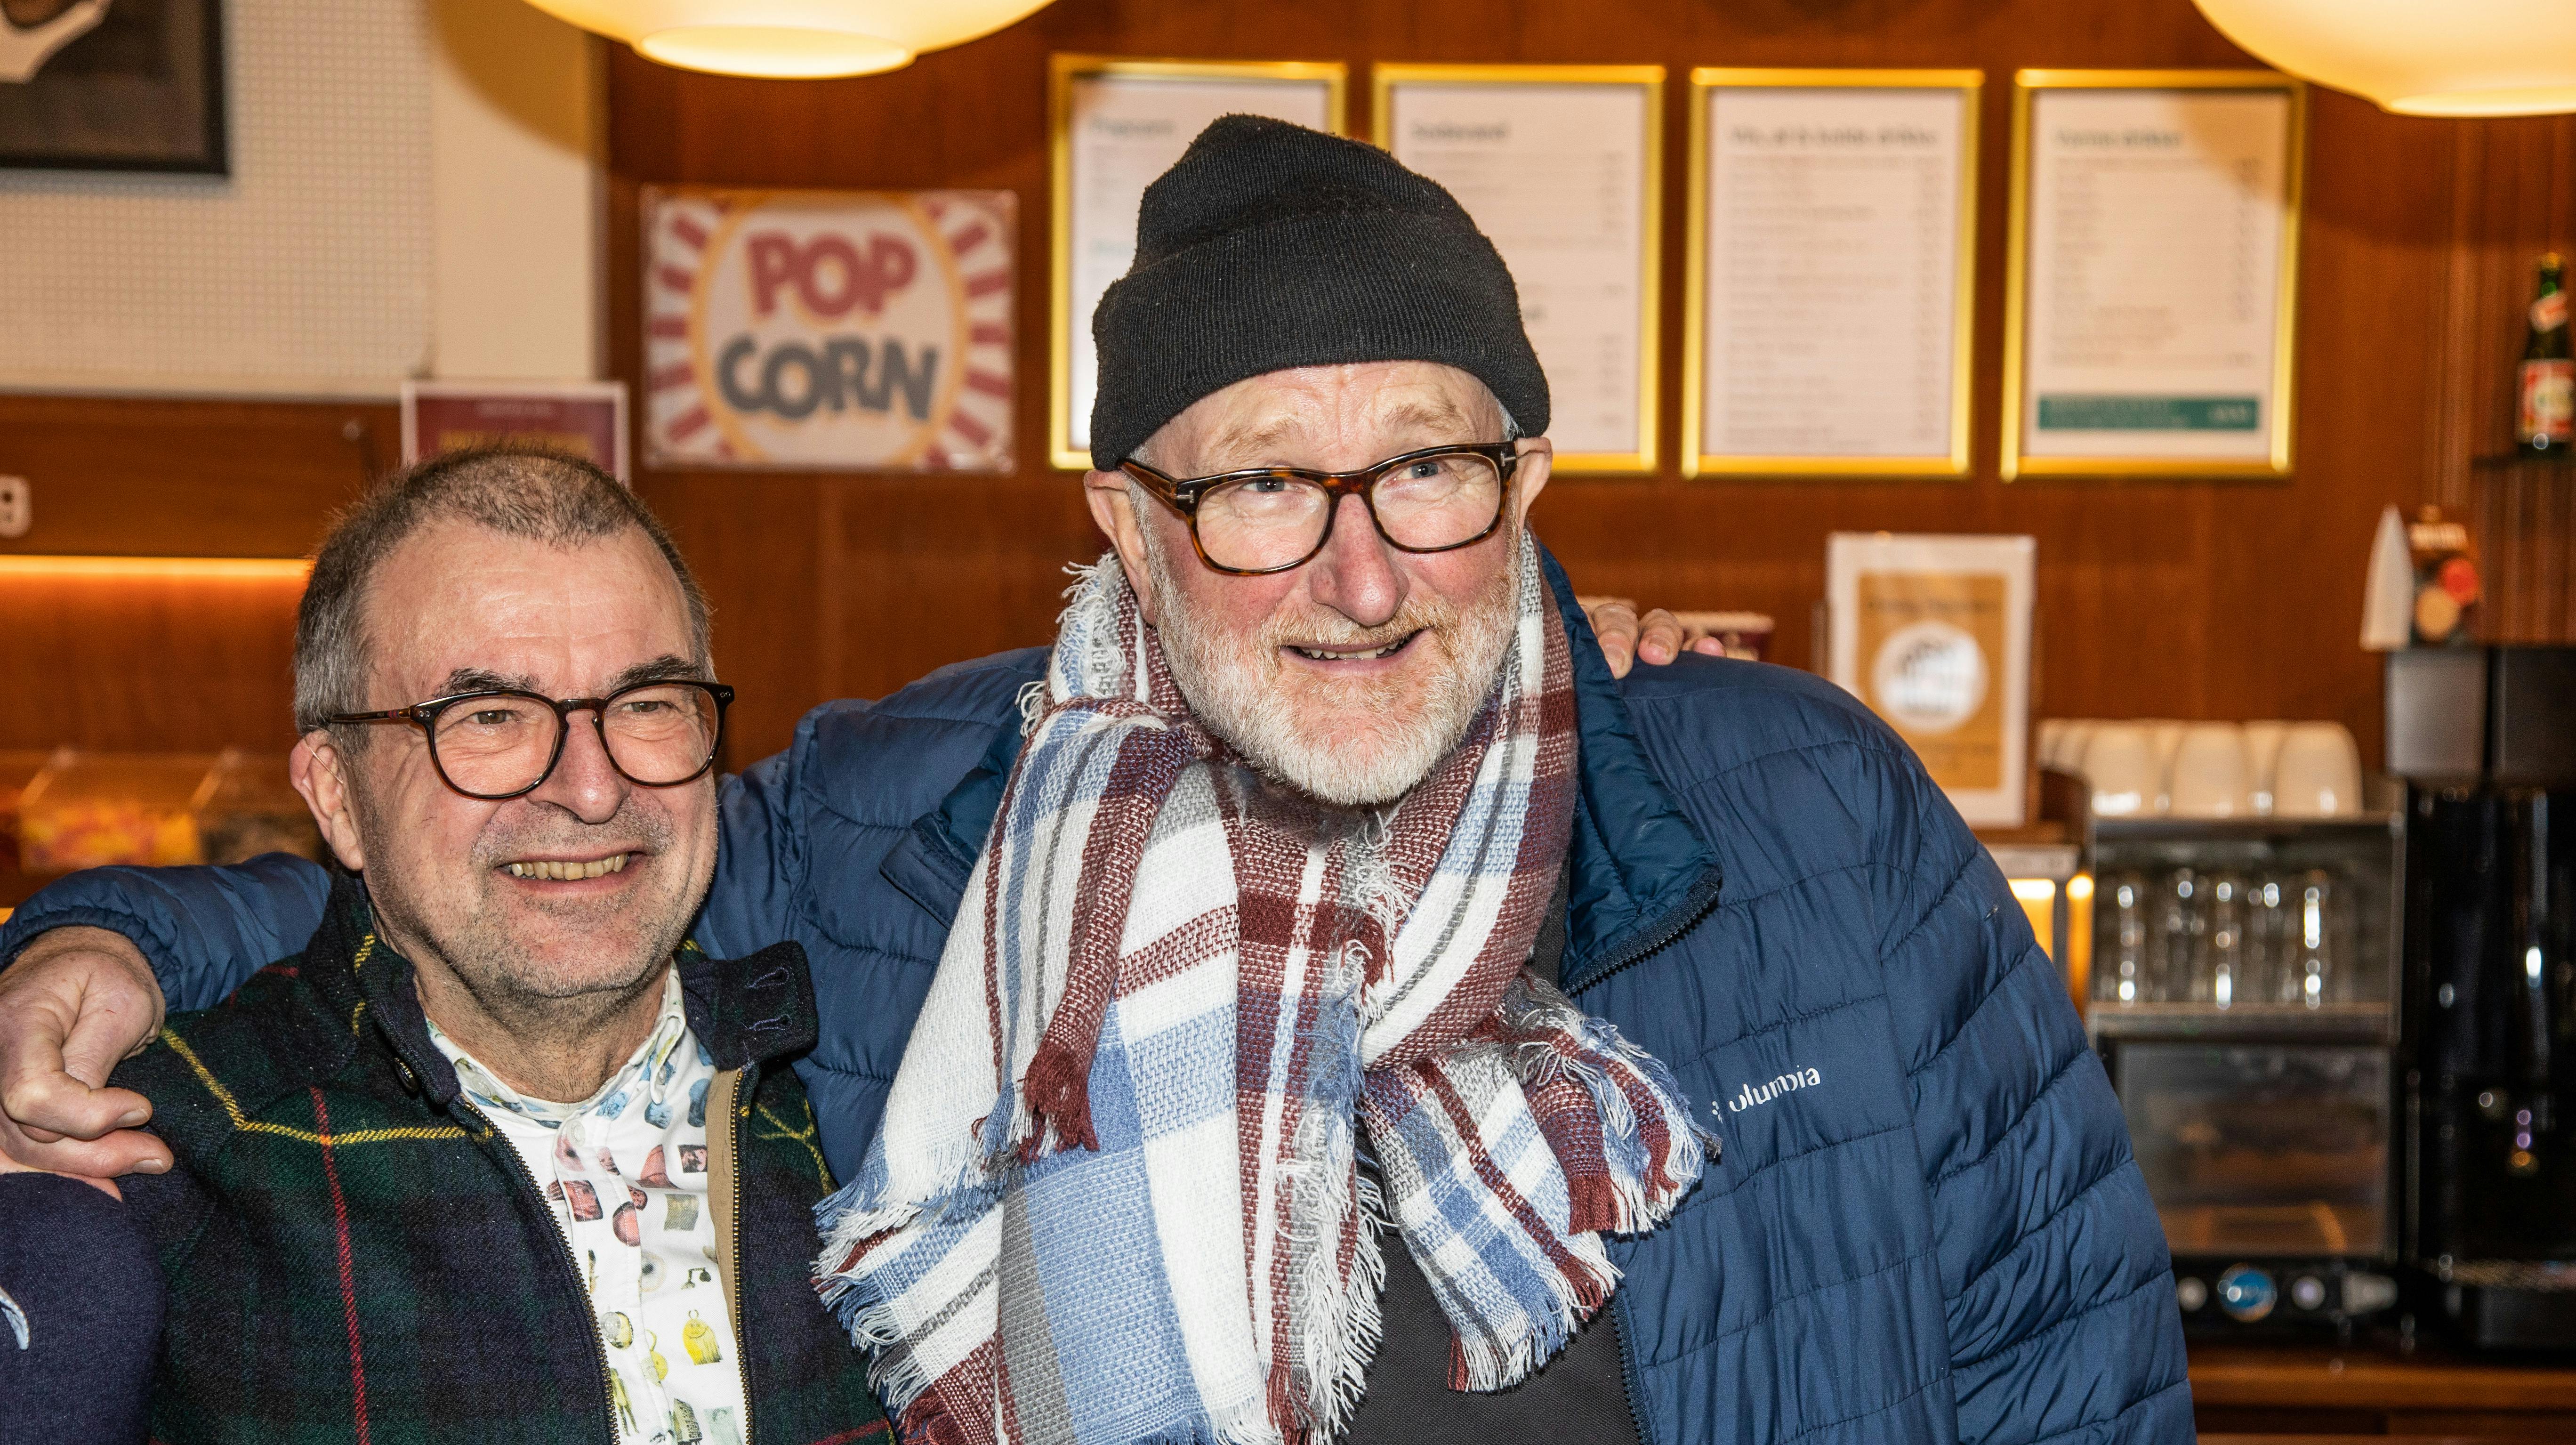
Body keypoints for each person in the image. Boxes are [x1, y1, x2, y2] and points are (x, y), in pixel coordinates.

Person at [0, 119, 2189, 1445]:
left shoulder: (1795, 804)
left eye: (1421, 468)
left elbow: (2059, 1362)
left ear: (1522, 482)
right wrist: (106, 939)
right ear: (1128, 523)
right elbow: (538, 861)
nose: (1353, 564)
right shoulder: (917, 806)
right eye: (1256, 485)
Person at [0, 451, 889, 1445]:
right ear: (337, 794)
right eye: (491, 716)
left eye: (646, 703)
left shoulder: (858, 1094)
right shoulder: (161, 1159)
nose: (592, 790)